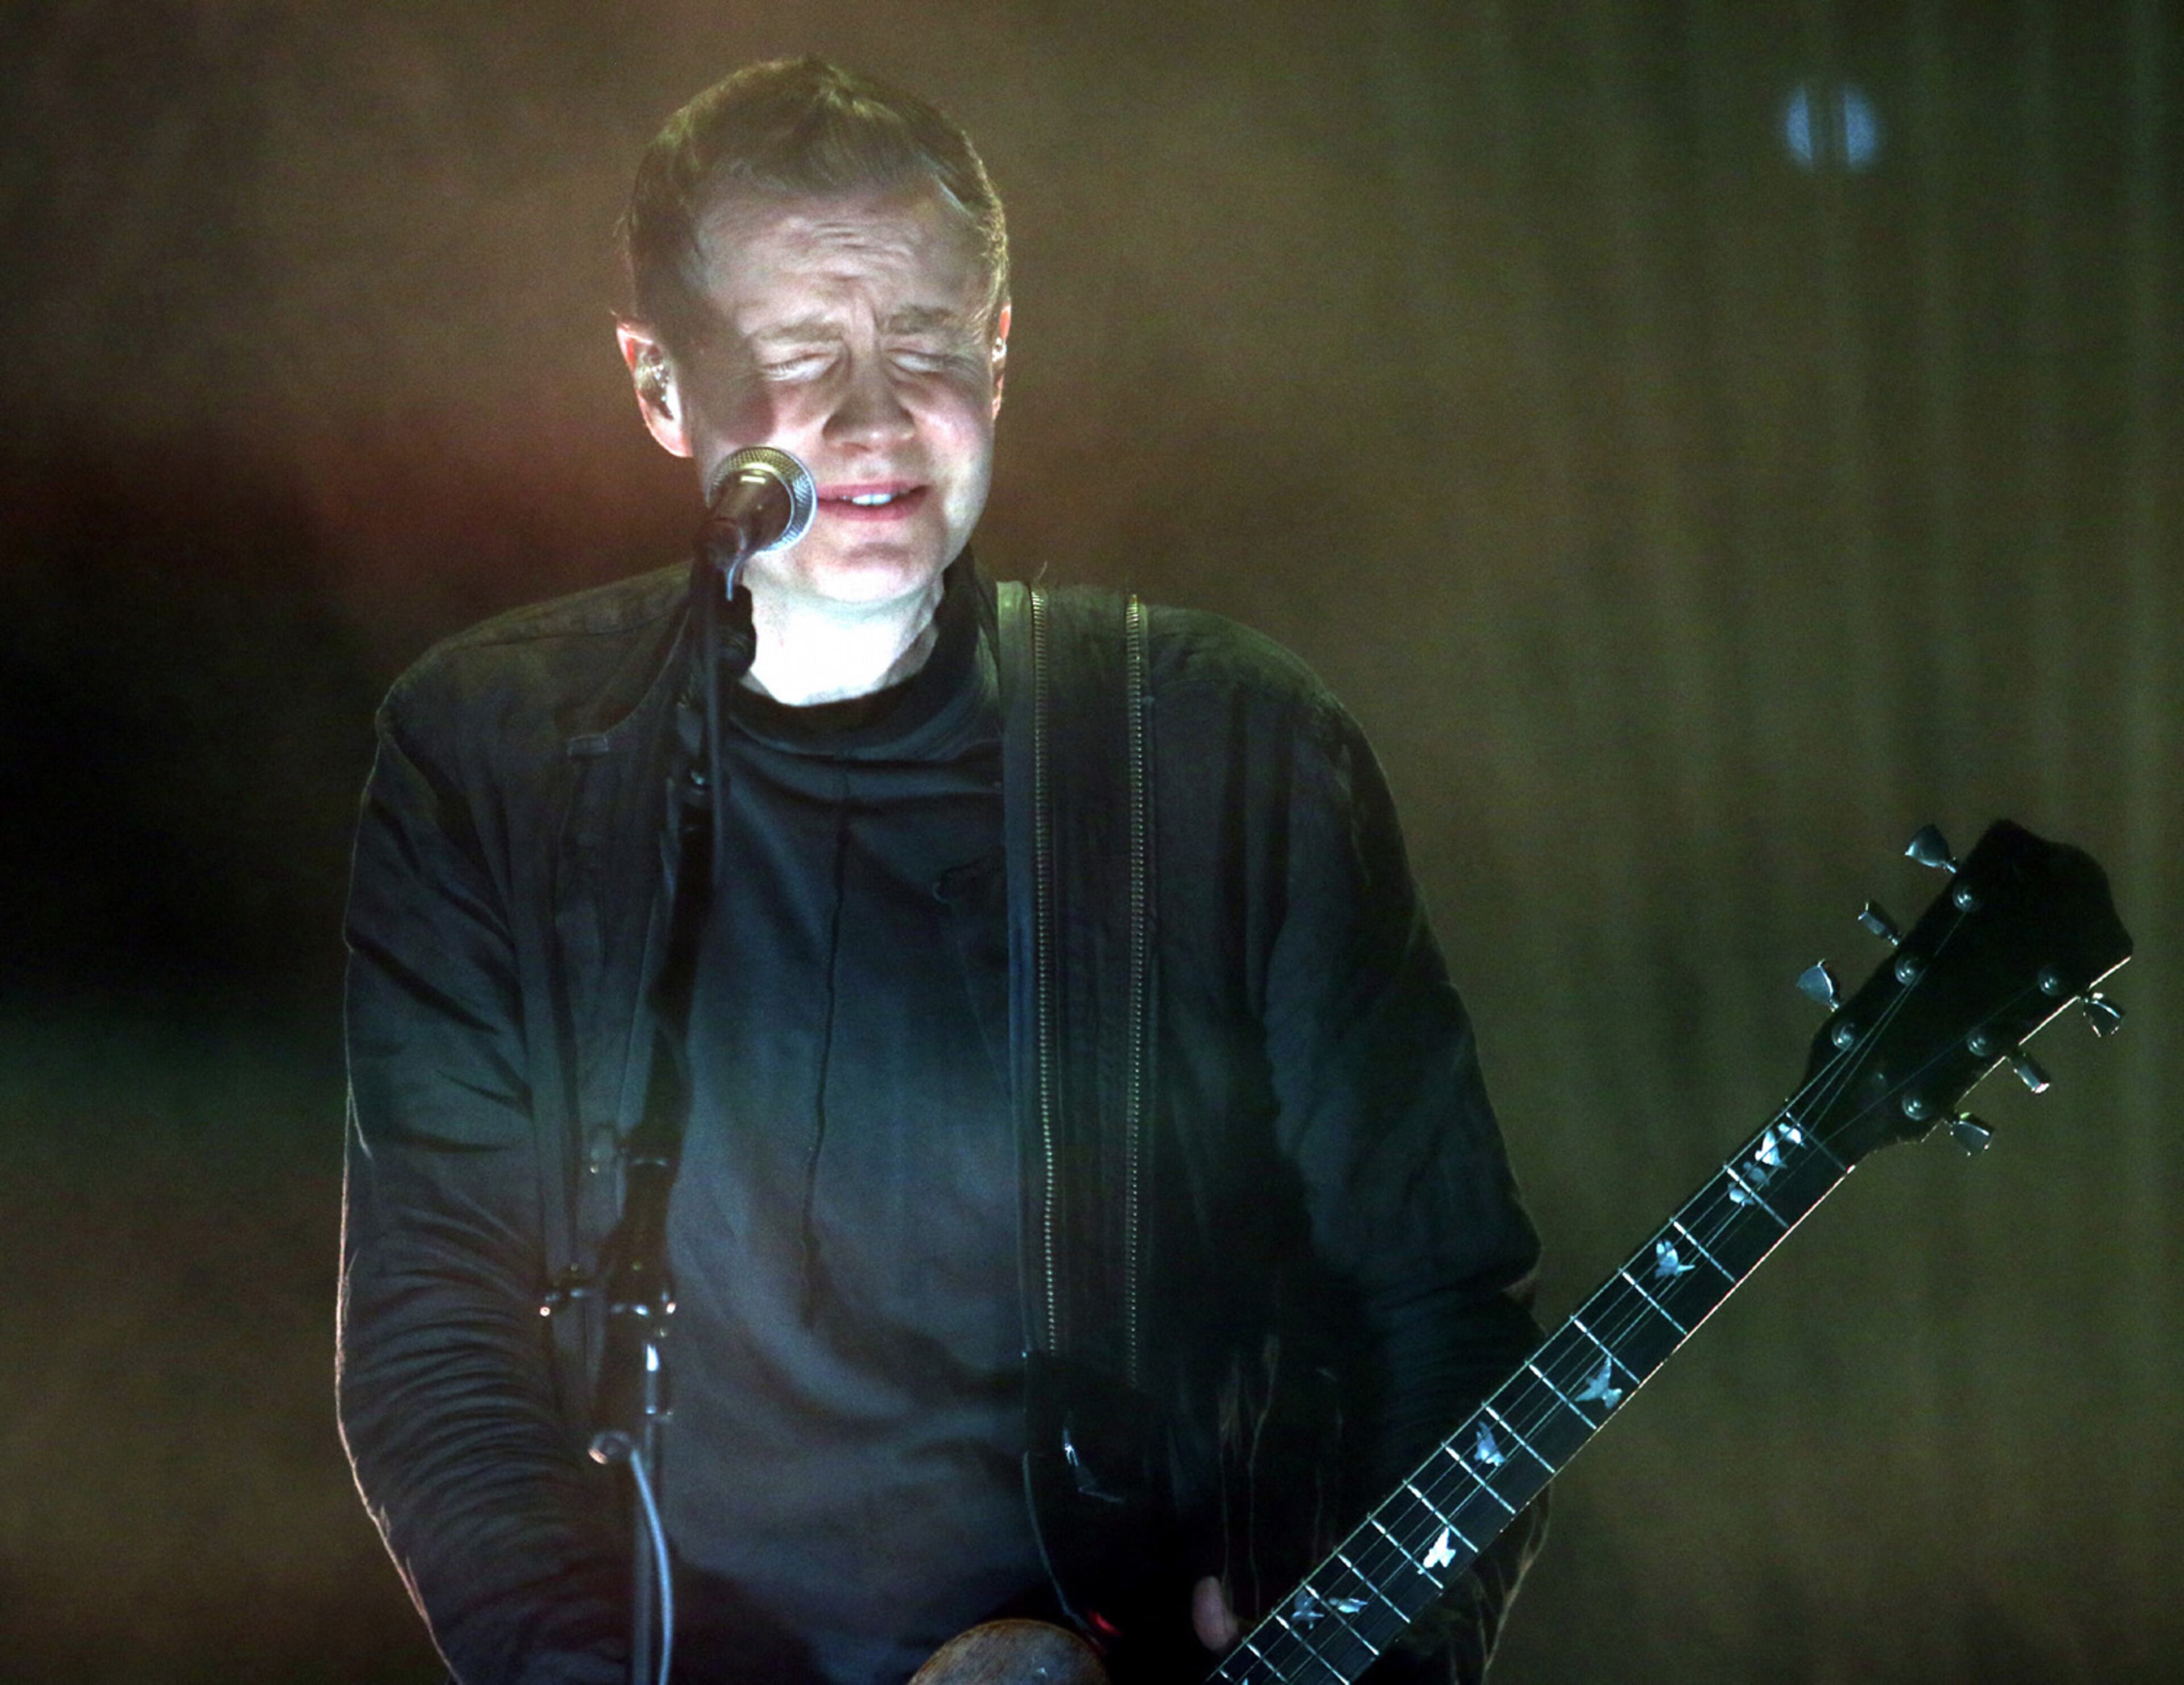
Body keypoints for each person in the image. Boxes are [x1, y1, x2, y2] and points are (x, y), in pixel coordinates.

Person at [338, 56, 1545, 1685]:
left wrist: (1369, 1639)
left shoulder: (1225, 751)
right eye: (796, 356)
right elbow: (433, 1339)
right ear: (657, 384)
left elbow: (1439, 1294)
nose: (872, 417)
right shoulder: (490, 757)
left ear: (998, 349)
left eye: (925, 345)